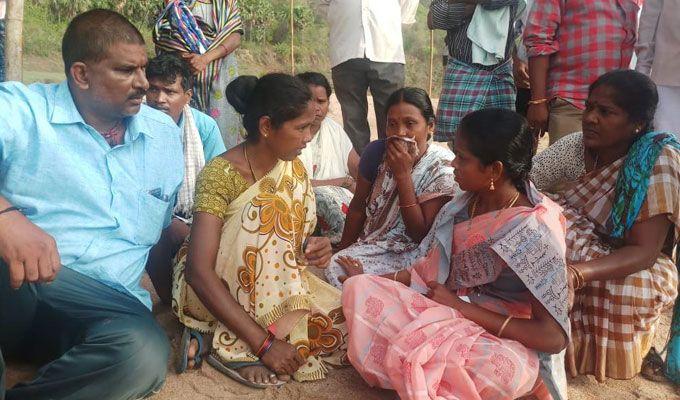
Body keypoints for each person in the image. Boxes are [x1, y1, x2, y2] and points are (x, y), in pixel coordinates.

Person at [0, 9, 184, 400]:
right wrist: (6, 218)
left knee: (144, 352)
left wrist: (182, 308)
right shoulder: (23, 112)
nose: (142, 83)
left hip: (108, 309)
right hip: (18, 289)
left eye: (143, 68)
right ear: (81, 75)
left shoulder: (163, 135)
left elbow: (162, 236)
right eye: (125, 71)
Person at [340, 108, 570, 400]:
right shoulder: (464, 205)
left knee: (499, 371)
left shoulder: (534, 230)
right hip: (447, 308)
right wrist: (372, 278)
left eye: (462, 157)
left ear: (494, 170)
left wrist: (461, 309)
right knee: (359, 287)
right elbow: (428, 271)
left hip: (501, 336)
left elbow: (552, 336)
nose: (452, 164)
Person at [171, 73, 348, 388]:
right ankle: (236, 344)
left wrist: (313, 245)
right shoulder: (220, 175)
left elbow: (289, 240)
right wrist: (264, 345)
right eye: (302, 128)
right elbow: (199, 271)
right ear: (266, 127)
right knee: (264, 213)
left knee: (344, 330)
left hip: (273, 283)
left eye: (312, 126)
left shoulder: (292, 166)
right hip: (211, 285)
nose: (309, 137)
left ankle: (207, 335)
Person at [529, 70, 680, 381]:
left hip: (637, 261)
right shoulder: (575, 147)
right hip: (586, 244)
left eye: (605, 112)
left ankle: (592, 353)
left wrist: (577, 273)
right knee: (535, 224)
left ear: (637, 123)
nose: (590, 118)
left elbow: (645, 252)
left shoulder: (658, 160)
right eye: (588, 107)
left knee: (630, 289)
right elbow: (526, 182)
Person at [325, 87, 457, 289]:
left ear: (430, 126)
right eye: (392, 124)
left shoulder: (443, 168)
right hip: (374, 245)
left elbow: (419, 235)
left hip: (416, 254)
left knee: (419, 283)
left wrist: (403, 174)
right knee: (338, 265)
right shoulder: (377, 152)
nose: (400, 133)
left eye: (410, 124)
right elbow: (358, 207)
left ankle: (373, 290)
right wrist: (344, 249)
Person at [144, 52, 226, 305]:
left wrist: (202, 222)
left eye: (170, 92)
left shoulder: (203, 127)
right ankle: (173, 304)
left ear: (187, 96)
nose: (159, 99)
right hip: (152, 212)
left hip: (200, 209)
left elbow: (220, 179)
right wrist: (169, 221)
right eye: (153, 90)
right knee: (158, 235)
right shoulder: (135, 123)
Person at [524, 0, 641, 144]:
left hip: (616, 106)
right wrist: (538, 101)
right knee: (569, 164)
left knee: (609, 166)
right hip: (572, 101)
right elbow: (538, 39)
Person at [316, 0, 419, 153]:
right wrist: (341, 15)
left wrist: (391, 20)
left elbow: (408, 4)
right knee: (353, 119)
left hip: (387, 50)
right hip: (346, 48)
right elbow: (319, 3)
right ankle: (359, 171)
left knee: (393, 115)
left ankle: (391, 170)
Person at [428, 0, 521, 146]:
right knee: (463, 146)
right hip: (462, 71)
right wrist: (479, 7)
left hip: (499, 73)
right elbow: (435, 17)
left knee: (501, 143)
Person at [153, 0, 243, 149]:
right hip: (184, 72)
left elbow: (235, 36)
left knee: (222, 130)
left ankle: (220, 165)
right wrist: (186, 56)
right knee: (186, 129)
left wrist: (205, 59)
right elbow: (162, 35)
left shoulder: (226, 3)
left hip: (221, 75)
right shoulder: (174, 2)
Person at [296, 72, 360, 244]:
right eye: (311, 100)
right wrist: (343, 182)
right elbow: (292, 184)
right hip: (300, 203)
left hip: (342, 200)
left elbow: (357, 168)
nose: (317, 108)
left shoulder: (334, 129)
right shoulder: (289, 132)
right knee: (322, 197)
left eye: (321, 102)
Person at [636, 0, 680, 138]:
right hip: (668, 81)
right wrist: (641, 74)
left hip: (667, 75)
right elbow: (649, 21)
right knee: (665, 148)